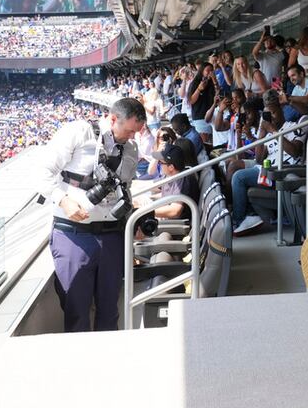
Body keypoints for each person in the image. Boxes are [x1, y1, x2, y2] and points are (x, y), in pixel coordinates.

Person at [39, 97, 146, 332]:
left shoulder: (131, 148)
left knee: (110, 310)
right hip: (74, 234)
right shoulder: (79, 133)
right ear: (113, 119)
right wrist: (64, 201)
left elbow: (124, 189)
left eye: (136, 132)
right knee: (76, 309)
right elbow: (42, 172)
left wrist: (132, 218)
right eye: (129, 131)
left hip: (113, 236)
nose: (132, 137)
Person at [229, 91, 304, 236]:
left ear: (281, 111)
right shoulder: (267, 132)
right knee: (237, 172)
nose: (272, 119)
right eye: (268, 116)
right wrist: (262, 134)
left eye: (274, 113)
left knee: (239, 177)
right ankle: (248, 215)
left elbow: (295, 151)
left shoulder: (294, 126)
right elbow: (258, 159)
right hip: (269, 170)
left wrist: (274, 131)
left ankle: (239, 220)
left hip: (286, 172)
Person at [137, 145, 199, 220]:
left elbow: (175, 211)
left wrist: (142, 212)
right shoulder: (171, 175)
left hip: (173, 225)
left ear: (171, 167)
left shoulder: (183, 179)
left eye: (160, 162)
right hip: (165, 214)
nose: (158, 164)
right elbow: (155, 187)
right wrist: (148, 198)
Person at [186, 62, 217, 137]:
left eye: (212, 70)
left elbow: (218, 92)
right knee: (205, 142)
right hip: (200, 117)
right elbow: (191, 101)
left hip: (213, 115)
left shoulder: (212, 82)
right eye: (207, 70)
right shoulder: (195, 82)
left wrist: (214, 80)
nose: (210, 73)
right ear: (202, 71)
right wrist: (199, 89)